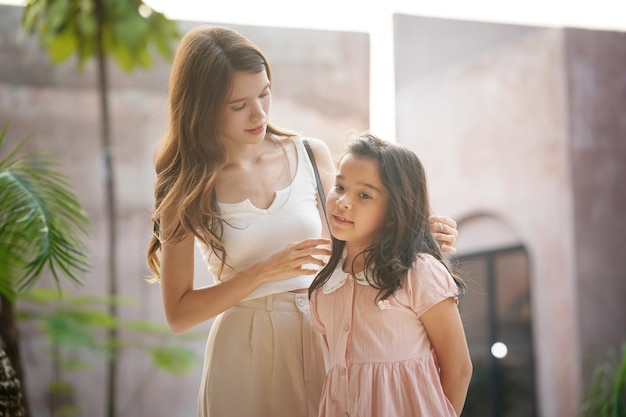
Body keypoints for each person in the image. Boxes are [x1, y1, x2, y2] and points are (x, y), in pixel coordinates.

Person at [146, 25, 460, 417]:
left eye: (264, 93)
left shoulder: (310, 154)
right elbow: (179, 314)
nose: (259, 113)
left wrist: (413, 232)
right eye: (238, 104)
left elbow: (351, 234)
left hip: (326, 334)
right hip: (244, 350)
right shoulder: (186, 184)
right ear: (202, 106)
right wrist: (263, 271)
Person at [309, 133, 473, 417]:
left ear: (394, 211)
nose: (343, 201)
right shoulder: (324, 289)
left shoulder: (419, 273)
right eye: (339, 186)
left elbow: (458, 369)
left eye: (364, 195)